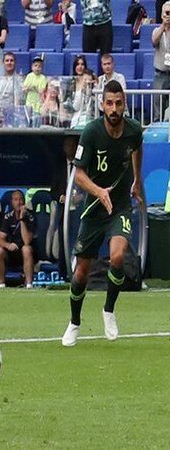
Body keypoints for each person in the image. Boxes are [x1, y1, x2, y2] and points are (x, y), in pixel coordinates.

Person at [61, 80, 144, 347]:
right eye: (109, 103)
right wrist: (98, 191)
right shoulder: (91, 133)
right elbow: (79, 175)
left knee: (118, 256)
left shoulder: (133, 131)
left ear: (124, 104)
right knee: (82, 273)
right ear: (102, 105)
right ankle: (74, 322)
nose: (114, 108)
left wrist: (137, 180)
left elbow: (137, 149)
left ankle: (109, 310)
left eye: (118, 103)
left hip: (119, 206)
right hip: (94, 208)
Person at [0, 190, 36, 288]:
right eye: (16, 200)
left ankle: (29, 284)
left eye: (21, 199)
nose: (19, 202)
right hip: (11, 251)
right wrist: (8, 245)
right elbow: (0, 240)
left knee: (26, 249)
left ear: (24, 201)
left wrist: (22, 219)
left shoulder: (30, 217)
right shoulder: (7, 217)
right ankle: (1, 285)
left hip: (26, 252)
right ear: (12, 202)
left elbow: (27, 241)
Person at [152, 2, 170, 121]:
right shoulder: (156, 31)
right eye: (167, 13)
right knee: (158, 107)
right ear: (162, 14)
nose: (169, 16)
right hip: (160, 74)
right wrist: (164, 25)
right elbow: (154, 41)